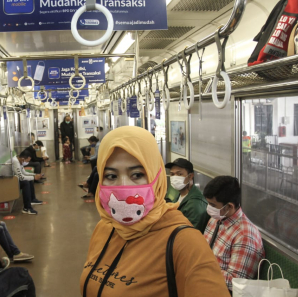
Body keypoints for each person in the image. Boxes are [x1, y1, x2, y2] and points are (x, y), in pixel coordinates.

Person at [80, 126, 229, 297]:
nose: (124, 186)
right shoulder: (104, 229)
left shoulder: (185, 243)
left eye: (136, 174)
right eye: (111, 176)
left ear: (156, 177)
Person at [204, 176, 265, 293]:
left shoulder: (244, 236)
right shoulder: (216, 219)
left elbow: (236, 283)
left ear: (229, 206)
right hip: (205, 283)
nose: (209, 208)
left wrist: (202, 268)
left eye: (213, 205)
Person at [165, 158, 210, 233]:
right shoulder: (180, 194)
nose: (175, 178)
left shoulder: (195, 205)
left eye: (179, 174)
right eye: (172, 174)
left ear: (190, 176)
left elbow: (189, 234)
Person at [12, 151, 43, 215]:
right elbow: (21, 177)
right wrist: (34, 177)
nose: (27, 163)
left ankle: (32, 199)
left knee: (29, 179)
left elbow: (24, 173)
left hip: (13, 179)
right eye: (27, 161)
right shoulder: (15, 161)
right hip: (7, 182)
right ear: (23, 159)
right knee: (25, 183)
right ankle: (27, 208)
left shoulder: (19, 161)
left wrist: (35, 175)